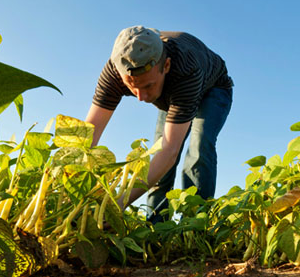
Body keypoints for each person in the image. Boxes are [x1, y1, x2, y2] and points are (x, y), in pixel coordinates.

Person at [85, 26, 233, 223]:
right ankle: (155, 227)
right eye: (132, 87)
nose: (141, 98)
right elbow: (88, 134)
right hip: (170, 93)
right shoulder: (114, 71)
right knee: (157, 156)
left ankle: (196, 225)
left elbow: (170, 151)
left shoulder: (186, 68)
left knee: (199, 146)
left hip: (213, 89)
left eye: (148, 86)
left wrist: (117, 204)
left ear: (166, 65)